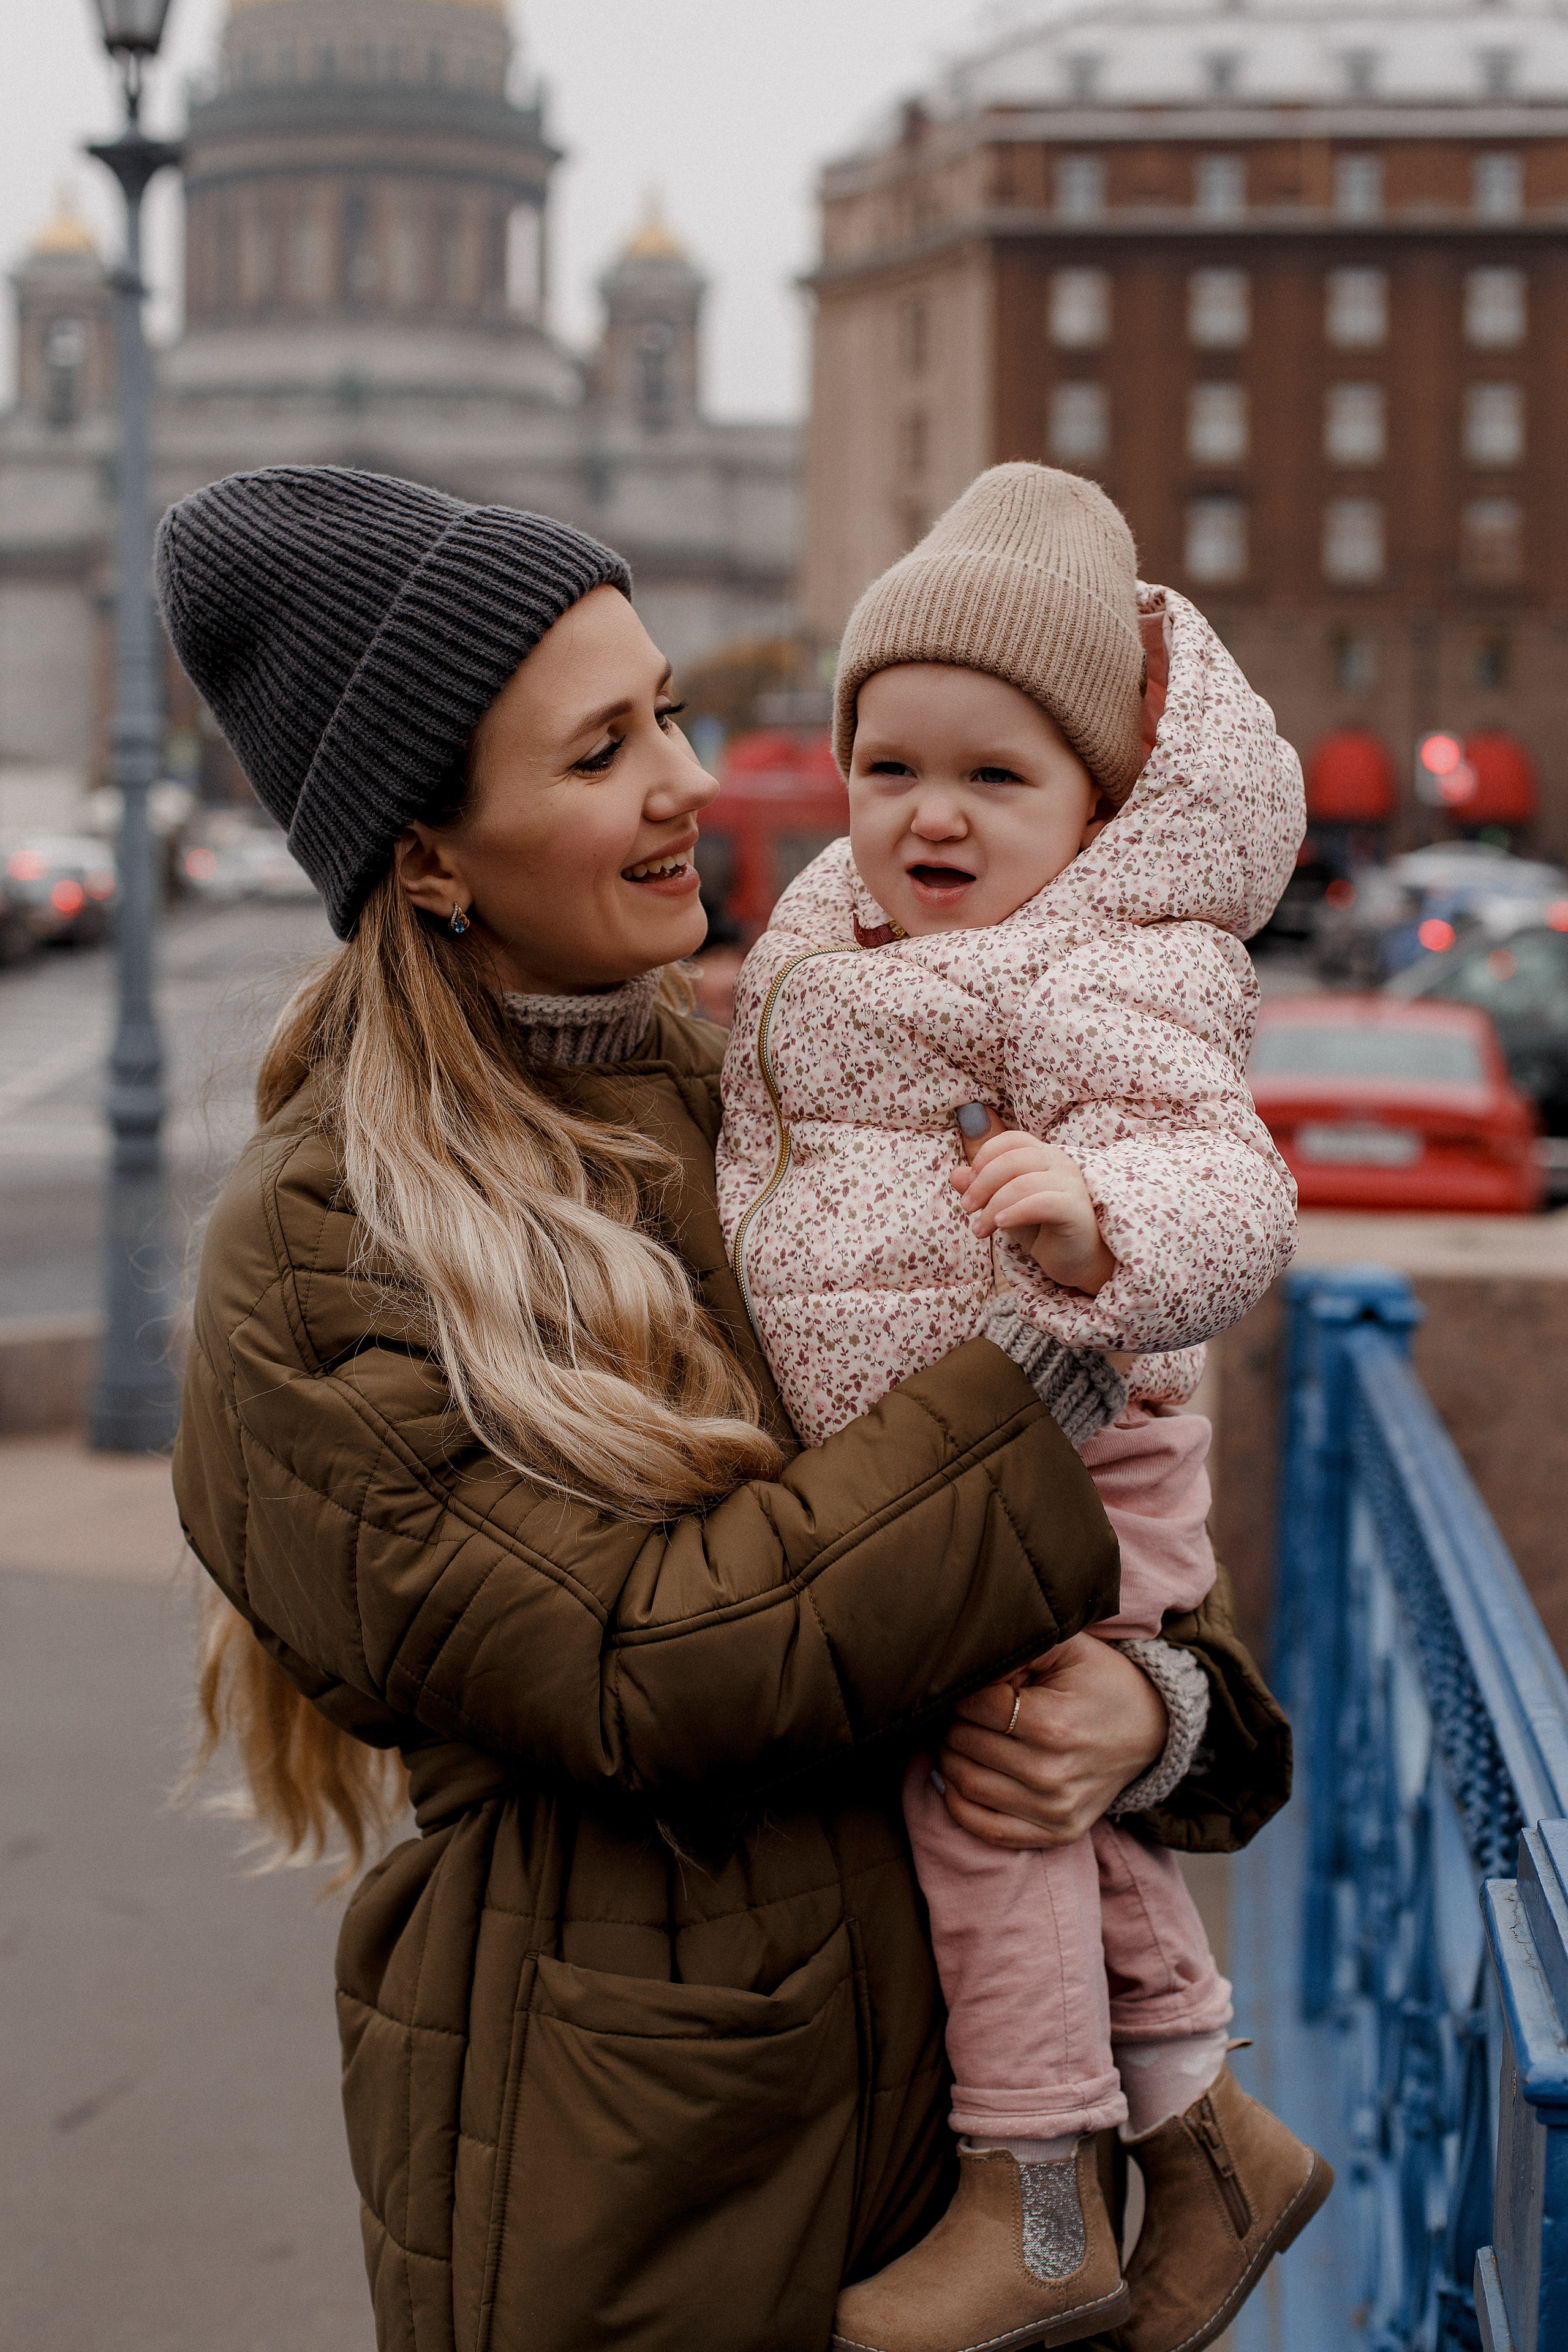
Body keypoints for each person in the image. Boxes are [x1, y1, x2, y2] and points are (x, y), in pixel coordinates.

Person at [162, 464, 1289, 2352]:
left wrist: (1150, 1713)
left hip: (968, 2138)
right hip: (652, 2167)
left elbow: (1134, 1591)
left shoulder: (766, 1092)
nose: (693, 779)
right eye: (603, 750)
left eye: (669, 709)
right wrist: (1047, 1354)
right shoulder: (323, 1241)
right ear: (427, 854)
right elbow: (644, 1667)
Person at [717, 464, 1331, 2352]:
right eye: (890, 767)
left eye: (997, 777)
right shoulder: (849, 947)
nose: (933, 816)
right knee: (1046, 1799)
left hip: (1074, 1437)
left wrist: (1090, 1233)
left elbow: (1232, 1188)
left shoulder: (1108, 963)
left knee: (986, 1794)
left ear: (1097, 803)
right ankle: (1208, 2139)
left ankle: (1041, 2192)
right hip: (977, 1449)